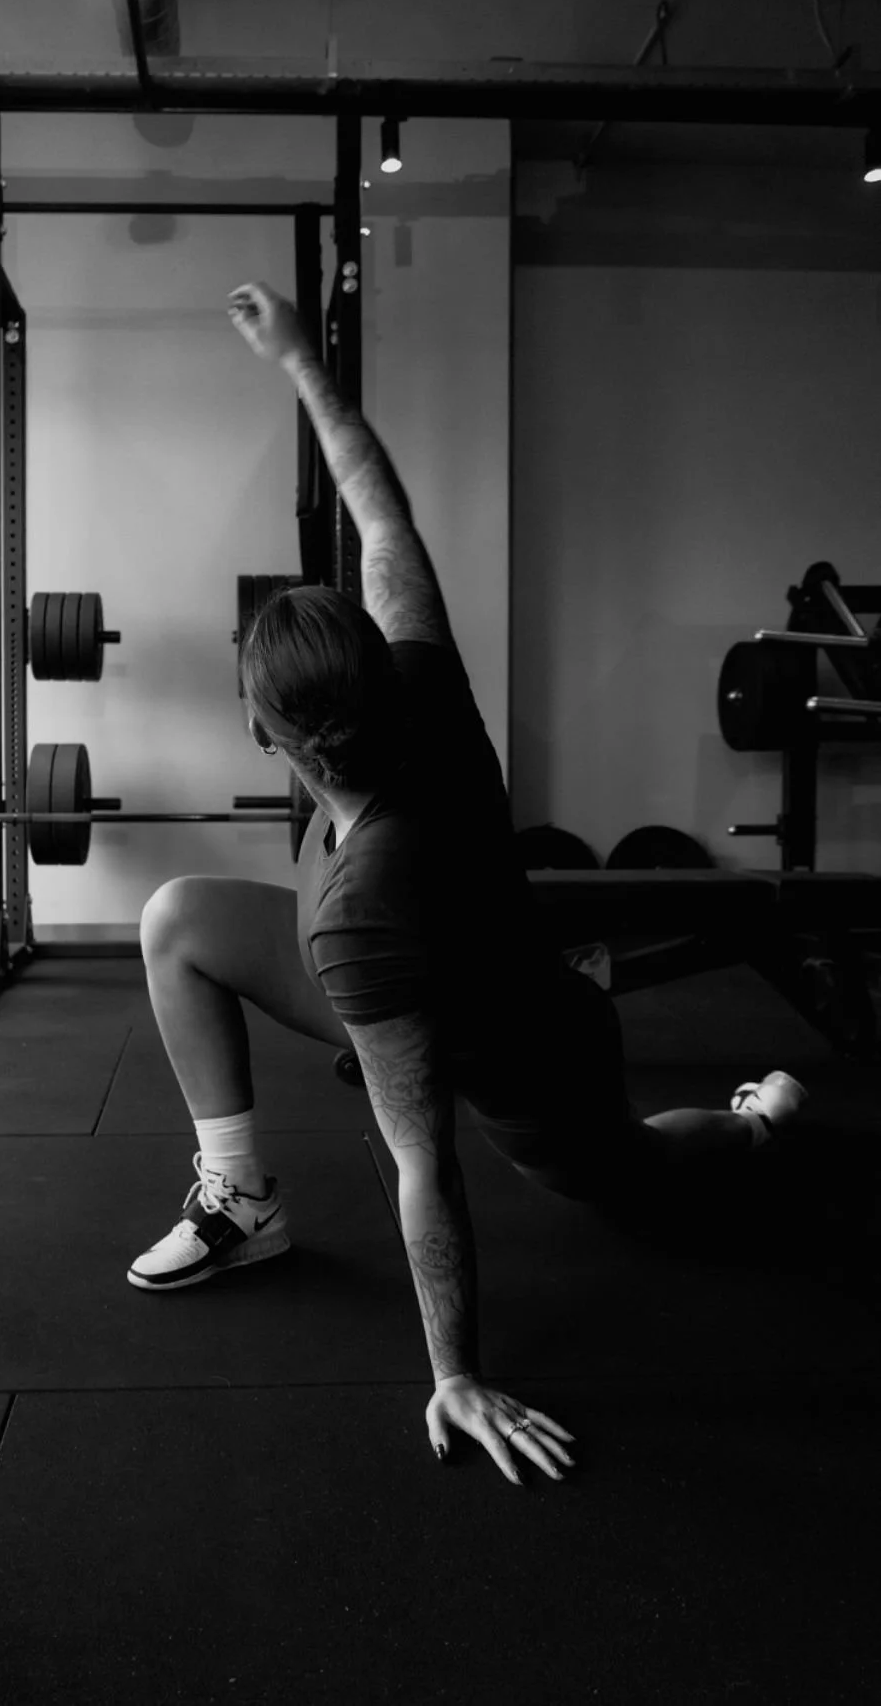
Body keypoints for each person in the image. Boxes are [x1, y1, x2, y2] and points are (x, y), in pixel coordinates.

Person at [128, 280, 809, 1487]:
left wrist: (456, 1372)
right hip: (401, 967)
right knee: (176, 918)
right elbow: (379, 515)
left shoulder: (362, 917)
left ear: (262, 738)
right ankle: (242, 1196)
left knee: (639, 1176)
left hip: (528, 1050)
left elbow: (423, 1165)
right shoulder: (420, 689)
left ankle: (755, 1127)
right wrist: (300, 361)